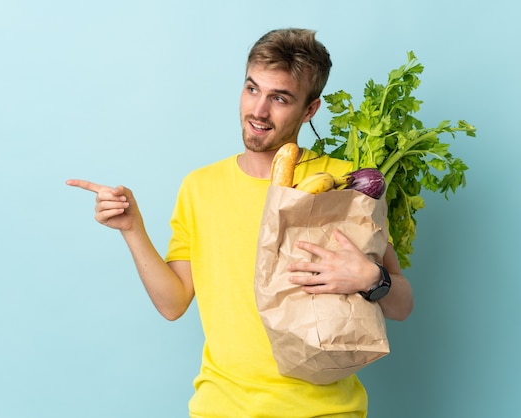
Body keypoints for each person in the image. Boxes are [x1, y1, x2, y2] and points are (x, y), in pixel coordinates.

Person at [67, 28, 413, 417]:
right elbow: (173, 303)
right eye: (252, 89)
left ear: (310, 109)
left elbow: (401, 305)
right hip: (220, 407)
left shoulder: (345, 183)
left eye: (279, 98)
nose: (258, 111)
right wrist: (132, 229)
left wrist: (371, 279)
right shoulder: (201, 187)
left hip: (325, 410)